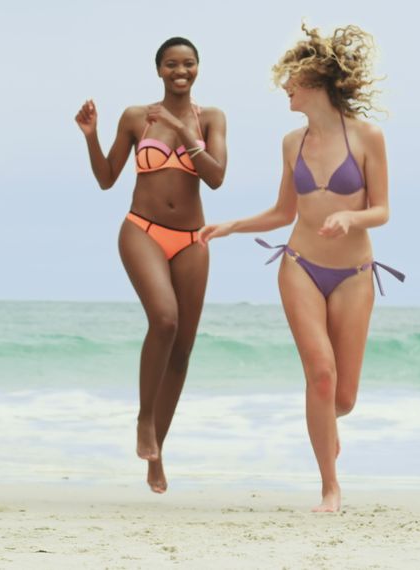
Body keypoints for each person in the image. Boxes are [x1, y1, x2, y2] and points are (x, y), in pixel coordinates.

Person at [199, 24, 403, 512]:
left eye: (293, 78)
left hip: (354, 275)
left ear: (319, 80)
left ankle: (324, 427)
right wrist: (233, 225)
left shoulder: (368, 136)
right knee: (321, 375)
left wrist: (349, 216)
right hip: (300, 267)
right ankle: (330, 486)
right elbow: (283, 213)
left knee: (344, 399)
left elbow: (382, 210)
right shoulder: (292, 142)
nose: (286, 87)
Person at [75, 37, 227, 493]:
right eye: (171, 64)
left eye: (189, 64)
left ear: (198, 68)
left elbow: (216, 178)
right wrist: (91, 137)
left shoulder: (211, 118)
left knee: (182, 349)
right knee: (163, 320)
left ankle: (156, 453)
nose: (181, 71)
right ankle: (144, 420)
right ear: (158, 69)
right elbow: (106, 179)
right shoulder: (135, 117)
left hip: (192, 239)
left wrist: (183, 133)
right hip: (142, 229)